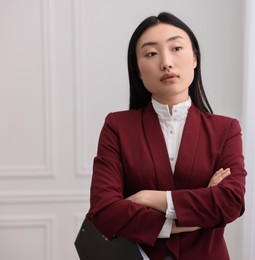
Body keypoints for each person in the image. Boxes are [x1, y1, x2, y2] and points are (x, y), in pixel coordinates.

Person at [86, 12, 246, 260]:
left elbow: (230, 202)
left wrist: (147, 197)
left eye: (176, 48)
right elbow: (104, 211)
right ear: (138, 70)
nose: (166, 62)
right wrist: (189, 220)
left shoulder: (225, 130)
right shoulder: (117, 127)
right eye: (151, 53)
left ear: (194, 58)